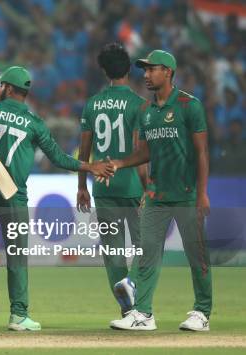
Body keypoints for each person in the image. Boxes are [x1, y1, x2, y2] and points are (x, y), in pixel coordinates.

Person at [0, 66, 115, 331]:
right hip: (14, 195)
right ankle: (18, 316)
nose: (1, 89)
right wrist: (90, 167)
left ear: (9, 89)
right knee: (16, 255)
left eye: (3, 86)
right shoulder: (35, 123)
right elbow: (58, 158)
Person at [108, 50, 213, 331]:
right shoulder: (145, 111)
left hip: (188, 193)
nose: (145, 74)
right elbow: (144, 152)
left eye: (151, 69)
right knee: (146, 254)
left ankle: (202, 312)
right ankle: (143, 314)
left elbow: (202, 152)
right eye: (144, 70)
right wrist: (120, 163)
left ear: (167, 71)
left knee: (197, 255)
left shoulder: (189, 105)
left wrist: (202, 193)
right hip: (156, 195)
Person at [77, 43, 147, 317]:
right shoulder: (139, 105)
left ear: (104, 71)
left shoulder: (92, 104)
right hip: (130, 183)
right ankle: (134, 287)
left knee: (113, 253)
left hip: (102, 187)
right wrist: (147, 185)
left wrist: (82, 185)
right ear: (129, 69)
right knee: (148, 247)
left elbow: (85, 151)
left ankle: (126, 311)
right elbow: (140, 151)